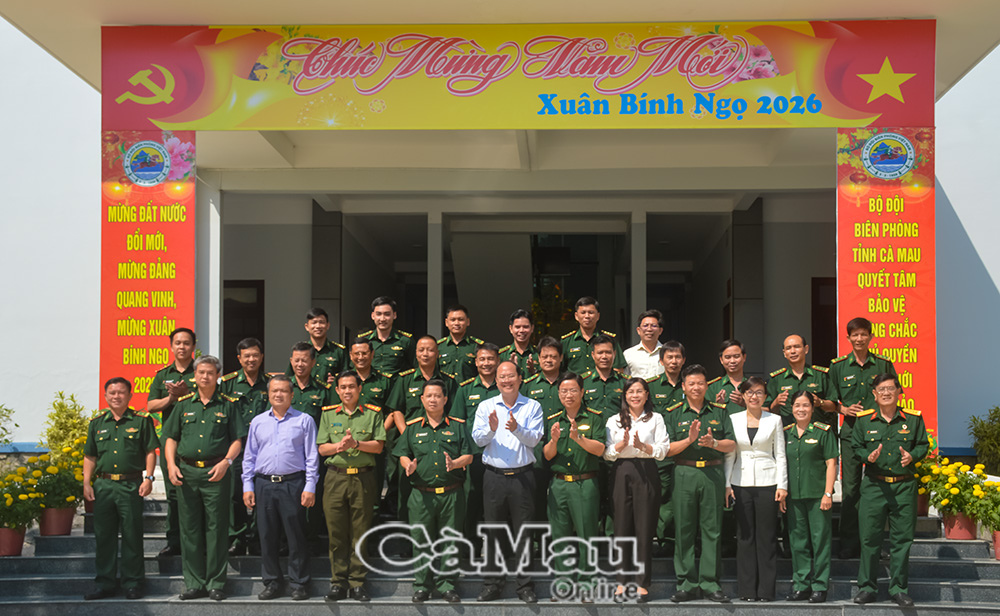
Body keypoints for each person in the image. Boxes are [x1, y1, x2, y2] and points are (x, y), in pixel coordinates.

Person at [163, 355, 245, 601]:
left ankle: (216, 583)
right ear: (194, 376)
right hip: (187, 474)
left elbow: (237, 440)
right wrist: (171, 465)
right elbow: (171, 438)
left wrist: (226, 462)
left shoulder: (228, 405)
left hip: (216, 473)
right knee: (189, 530)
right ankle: (193, 583)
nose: (205, 377)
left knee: (216, 529)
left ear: (218, 376)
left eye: (210, 373)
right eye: (201, 372)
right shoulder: (183, 405)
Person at [851, 374, 927, 608]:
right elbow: (856, 446)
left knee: (902, 540)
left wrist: (912, 456)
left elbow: (923, 444)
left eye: (890, 389)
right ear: (874, 394)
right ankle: (867, 587)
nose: (886, 393)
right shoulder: (864, 420)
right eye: (881, 389)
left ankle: (899, 589)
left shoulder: (913, 419)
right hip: (874, 485)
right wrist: (868, 456)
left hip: (904, 486)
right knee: (869, 538)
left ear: (899, 392)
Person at [471, 360, 544, 603]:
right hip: (494, 477)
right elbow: (478, 440)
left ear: (520, 378)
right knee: (494, 533)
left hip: (523, 477)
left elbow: (534, 440)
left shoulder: (532, 406)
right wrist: (492, 430)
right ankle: (492, 584)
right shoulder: (486, 406)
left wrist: (516, 429)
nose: (506, 380)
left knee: (524, 534)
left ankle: (525, 586)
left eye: (511, 375)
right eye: (501, 377)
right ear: (496, 380)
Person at [395, 379, 473, 603]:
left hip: (451, 494)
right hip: (421, 495)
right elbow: (402, 453)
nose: (433, 400)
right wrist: (408, 465)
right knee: (421, 540)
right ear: (422, 399)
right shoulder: (412, 428)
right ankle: (422, 585)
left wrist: (455, 464)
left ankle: (447, 584)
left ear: (445, 399)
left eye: (437, 396)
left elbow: (469, 455)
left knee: (451, 541)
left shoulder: (458, 426)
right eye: (428, 396)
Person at [241, 375, 319, 601]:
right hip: (264, 484)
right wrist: (248, 485)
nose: (278, 395)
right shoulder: (258, 422)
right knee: (267, 536)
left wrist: (310, 485)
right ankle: (272, 582)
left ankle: (299, 583)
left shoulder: (304, 420)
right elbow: (249, 456)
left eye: (284, 391)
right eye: (274, 391)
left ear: (292, 395)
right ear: (268, 394)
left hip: (293, 484)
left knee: (296, 536)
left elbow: (312, 456)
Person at [82, 377, 158, 601]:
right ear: (106, 396)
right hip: (104, 485)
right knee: (104, 536)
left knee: (132, 534)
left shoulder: (142, 421)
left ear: (130, 395)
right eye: (112, 393)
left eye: (121, 392)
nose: (116, 396)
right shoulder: (97, 423)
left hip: (130, 484)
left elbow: (150, 451)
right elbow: (90, 455)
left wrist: (149, 478)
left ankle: (133, 583)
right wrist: (86, 482)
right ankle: (105, 583)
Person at [664, 364, 736, 603]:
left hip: (712, 474)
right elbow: (667, 450)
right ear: (683, 387)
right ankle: (686, 583)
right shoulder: (674, 413)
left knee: (712, 530)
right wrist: (689, 440)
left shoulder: (719, 411)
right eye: (691, 383)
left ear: (707, 386)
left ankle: (710, 583)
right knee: (683, 529)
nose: (696, 387)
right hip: (684, 472)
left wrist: (713, 443)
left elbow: (731, 444)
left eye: (701, 383)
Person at [829, 317, 896, 560]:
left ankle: (875, 543)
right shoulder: (838, 366)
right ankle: (848, 543)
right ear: (848, 338)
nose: (859, 339)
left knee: (878, 488)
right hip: (851, 435)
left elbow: (894, 394)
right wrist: (843, 409)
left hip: (879, 435)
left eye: (863, 334)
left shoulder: (883, 364)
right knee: (851, 489)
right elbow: (829, 401)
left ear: (870, 336)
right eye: (854, 335)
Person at [317, 371, 387, 602]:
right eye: (343, 387)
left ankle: (357, 582)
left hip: (363, 478)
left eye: (351, 387)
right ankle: (338, 582)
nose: (347, 391)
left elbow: (378, 446)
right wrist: (340, 446)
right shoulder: (328, 414)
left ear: (359, 389)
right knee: (336, 533)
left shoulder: (372, 414)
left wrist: (355, 443)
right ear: (337, 390)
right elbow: (322, 448)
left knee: (360, 532)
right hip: (335, 478)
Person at [604, 377, 669, 602]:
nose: (635, 395)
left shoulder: (656, 419)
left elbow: (663, 449)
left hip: (647, 471)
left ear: (647, 394)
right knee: (621, 528)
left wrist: (644, 447)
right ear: (625, 395)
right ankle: (621, 582)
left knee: (644, 528)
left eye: (639, 391)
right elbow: (607, 453)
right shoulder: (614, 420)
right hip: (622, 471)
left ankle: (642, 583)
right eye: (631, 391)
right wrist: (620, 446)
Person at [724, 376, 788, 602]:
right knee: (745, 537)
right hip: (740, 482)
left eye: (759, 392)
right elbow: (730, 454)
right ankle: (747, 590)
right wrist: (727, 484)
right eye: (750, 392)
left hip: (768, 482)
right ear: (742, 396)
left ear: (765, 396)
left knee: (767, 537)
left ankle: (766, 591)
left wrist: (782, 485)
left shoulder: (774, 420)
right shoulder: (733, 419)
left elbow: (780, 454)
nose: (754, 396)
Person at [543, 372, 606, 598]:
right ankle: (563, 581)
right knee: (560, 536)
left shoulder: (594, 418)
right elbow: (547, 455)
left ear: (582, 392)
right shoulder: (553, 420)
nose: (568, 395)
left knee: (586, 535)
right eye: (564, 391)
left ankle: (587, 583)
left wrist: (579, 438)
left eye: (572, 390)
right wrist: (553, 440)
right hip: (559, 485)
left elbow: (600, 449)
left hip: (584, 484)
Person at [146, 326, 197, 557]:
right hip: (171, 440)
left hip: (196, 438)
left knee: (197, 494)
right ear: (171, 347)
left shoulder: (201, 371)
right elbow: (151, 406)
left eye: (186, 343)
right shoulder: (162, 375)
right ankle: (174, 541)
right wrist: (172, 397)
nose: (182, 347)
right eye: (178, 343)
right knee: (174, 494)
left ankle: (197, 542)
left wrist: (187, 394)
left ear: (193, 346)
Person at [783, 390, 838, 604]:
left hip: (817, 496)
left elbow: (831, 463)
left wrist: (828, 493)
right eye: (797, 405)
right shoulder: (786, 433)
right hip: (794, 497)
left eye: (805, 405)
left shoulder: (823, 432)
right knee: (798, 542)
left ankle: (820, 586)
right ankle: (801, 585)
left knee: (820, 541)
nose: (801, 409)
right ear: (791, 408)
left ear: (813, 409)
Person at [220, 337, 271, 556]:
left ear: (262, 357)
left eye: (255, 355)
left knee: (261, 493)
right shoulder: (227, 384)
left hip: (264, 449)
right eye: (246, 356)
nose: (251, 360)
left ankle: (258, 538)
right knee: (235, 494)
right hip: (237, 448)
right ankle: (238, 538)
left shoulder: (270, 383)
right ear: (239, 359)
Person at [451, 342, 500, 544]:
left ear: (498, 361)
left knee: (498, 502)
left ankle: (497, 545)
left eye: (490, 359)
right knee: (471, 500)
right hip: (473, 455)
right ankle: (470, 544)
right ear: (476, 362)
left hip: (500, 456)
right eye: (482, 359)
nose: (486, 363)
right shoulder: (465, 389)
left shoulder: (505, 388)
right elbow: (457, 423)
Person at [520, 336, 564, 527]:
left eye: (553, 356)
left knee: (562, 494)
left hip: (563, 445)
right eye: (545, 356)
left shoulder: (569, 383)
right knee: (536, 493)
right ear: (538, 359)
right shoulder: (529, 385)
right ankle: (538, 538)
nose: (549, 360)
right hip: (536, 447)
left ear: (561, 358)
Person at [647, 341, 686, 551]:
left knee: (679, 499)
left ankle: (672, 540)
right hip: (660, 452)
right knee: (658, 497)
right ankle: (658, 539)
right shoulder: (651, 386)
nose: (674, 361)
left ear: (684, 360)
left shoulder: (691, 385)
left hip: (684, 452)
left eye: (678, 357)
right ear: (661, 361)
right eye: (669, 357)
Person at [766, 334, 836, 428]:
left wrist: (820, 402)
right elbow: (767, 411)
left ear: (806, 349)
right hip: (788, 433)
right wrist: (776, 403)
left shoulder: (820, 375)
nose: (793, 351)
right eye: (788, 348)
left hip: (816, 432)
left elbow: (833, 407)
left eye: (797, 347)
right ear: (784, 353)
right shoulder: (777, 379)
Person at [561, 297, 626, 374]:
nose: (587, 316)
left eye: (591, 312)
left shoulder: (610, 340)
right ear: (576, 316)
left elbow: (618, 369)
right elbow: (559, 370)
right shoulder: (566, 341)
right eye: (583, 313)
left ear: (598, 316)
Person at [286, 307, 346, 383]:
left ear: (328, 325)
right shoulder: (300, 351)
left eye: (321, 322)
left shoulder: (339, 351)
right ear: (307, 327)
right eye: (314, 322)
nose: (318, 326)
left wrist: (336, 382)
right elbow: (289, 378)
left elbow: (347, 378)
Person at [359, 296, 414, 374]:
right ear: (373, 316)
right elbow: (355, 368)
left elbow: (415, 368)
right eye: (378, 314)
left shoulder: (406, 340)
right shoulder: (363, 340)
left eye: (387, 314)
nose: (382, 319)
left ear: (394, 315)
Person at [289, 342, 335, 424]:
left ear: (313, 362)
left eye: (304, 361)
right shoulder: (283, 387)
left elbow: (329, 420)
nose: (300, 364)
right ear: (291, 361)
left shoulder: (322, 390)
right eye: (296, 360)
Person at [582, 334, 628, 415]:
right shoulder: (582, 382)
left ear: (614, 354)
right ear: (593, 355)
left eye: (608, 352)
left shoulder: (625, 382)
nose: (604, 356)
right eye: (600, 353)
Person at [437, 304, 484, 382]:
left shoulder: (477, 346)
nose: (456, 323)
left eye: (460, 319)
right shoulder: (438, 347)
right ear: (446, 322)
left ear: (468, 322)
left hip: (469, 389)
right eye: (453, 320)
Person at [706, 339, 748, 415]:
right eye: (727, 357)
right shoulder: (712, 387)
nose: (732, 361)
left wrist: (746, 404)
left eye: (736, 356)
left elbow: (766, 412)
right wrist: (718, 406)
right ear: (721, 360)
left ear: (744, 357)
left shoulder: (753, 385)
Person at [623, 309, 665, 379]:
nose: (649, 329)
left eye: (654, 326)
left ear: (660, 330)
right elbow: (624, 379)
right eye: (645, 325)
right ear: (638, 330)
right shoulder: (628, 354)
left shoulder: (667, 353)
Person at [499, 308, 537, 376]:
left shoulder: (539, 354)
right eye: (517, 327)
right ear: (511, 329)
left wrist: (534, 372)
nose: (521, 330)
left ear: (532, 328)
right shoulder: (501, 355)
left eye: (525, 327)